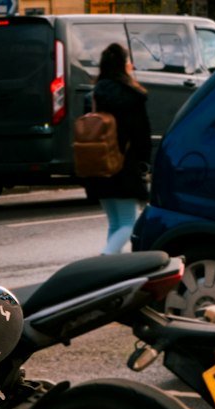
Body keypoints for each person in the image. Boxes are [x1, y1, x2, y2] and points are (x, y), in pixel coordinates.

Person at [83, 41, 152, 254]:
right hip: (124, 166)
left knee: (115, 223)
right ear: (124, 65)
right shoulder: (133, 96)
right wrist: (144, 164)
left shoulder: (95, 95)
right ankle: (105, 261)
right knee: (129, 224)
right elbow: (141, 135)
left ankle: (112, 270)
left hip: (99, 165)